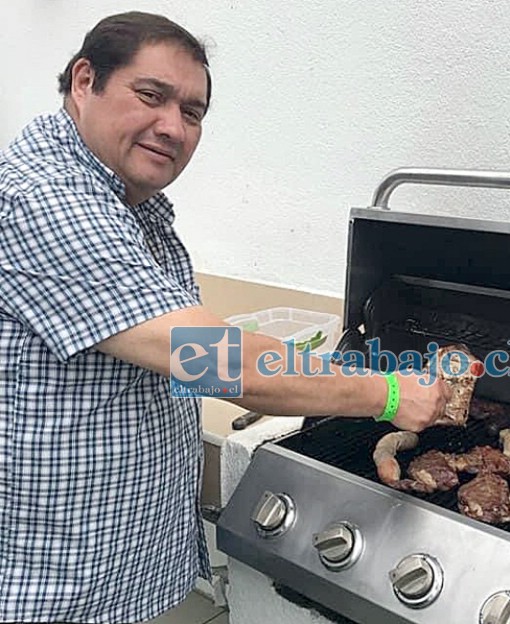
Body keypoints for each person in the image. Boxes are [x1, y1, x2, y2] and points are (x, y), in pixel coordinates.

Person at [0, 12, 449, 623]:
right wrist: (388, 391)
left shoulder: (131, 203)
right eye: (151, 96)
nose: (173, 127)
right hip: (56, 585)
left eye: (192, 112)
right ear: (85, 81)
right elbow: (209, 356)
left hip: (109, 563)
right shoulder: (47, 200)